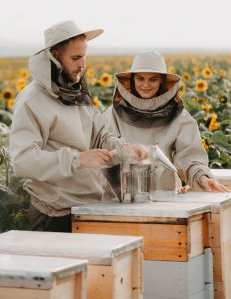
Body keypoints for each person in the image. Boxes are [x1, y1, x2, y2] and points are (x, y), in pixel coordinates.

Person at [9, 20, 147, 232]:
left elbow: (101, 135)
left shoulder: (76, 92)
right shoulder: (31, 100)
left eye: (84, 57)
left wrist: (124, 149)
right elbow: (23, 161)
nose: (82, 65)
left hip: (90, 208)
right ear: (54, 56)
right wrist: (78, 159)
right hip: (52, 214)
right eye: (75, 58)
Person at [103, 50, 229, 193]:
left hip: (164, 197)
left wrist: (201, 176)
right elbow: (102, 153)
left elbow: (189, 156)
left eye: (153, 79)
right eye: (140, 78)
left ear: (162, 80)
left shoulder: (179, 116)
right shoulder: (112, 114)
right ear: (132, 80)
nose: (145, 84)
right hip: (120, 198)